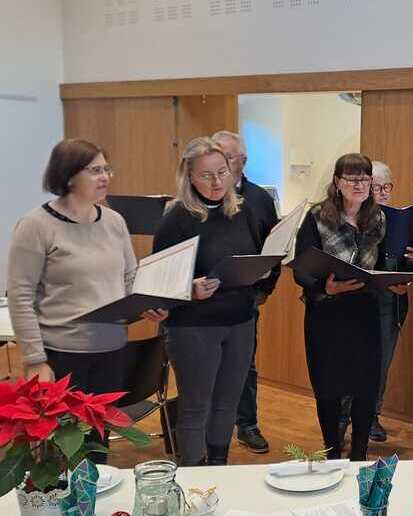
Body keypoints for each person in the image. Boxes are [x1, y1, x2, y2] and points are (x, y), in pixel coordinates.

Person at [6, 138, 167, 462]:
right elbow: (21, 296)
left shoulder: (113, 221)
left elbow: (129, 277)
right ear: (68, 177)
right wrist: (36, 359)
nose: (105, 176)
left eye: (107, 168)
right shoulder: (35, 226)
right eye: (95, 170)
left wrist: (145, 303)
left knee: (97, 445)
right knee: (60, 451)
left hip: (111, 349)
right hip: (62, 355)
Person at [153, 136, 262, 466]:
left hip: (240, 320)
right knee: (196, 405)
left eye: (222, 172)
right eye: (206, 175)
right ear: (188, 177)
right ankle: (193, 475)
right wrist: (191, 288)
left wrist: (257, 271)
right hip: (194, 326)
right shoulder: (175, 219)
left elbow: (253, 255)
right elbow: (158, 282)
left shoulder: (240, 211)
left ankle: (218, 467)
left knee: (228, 403)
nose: (217, 182)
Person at [293, 153, 404, 461]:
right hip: (327, 314)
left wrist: (394, 279)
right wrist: (323, 287)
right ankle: (331, 452)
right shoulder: (317, 217)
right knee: (328, 387)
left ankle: (359, 454)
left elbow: (381, 264)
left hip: (364, 313)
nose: (359, 184)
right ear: (337, 183)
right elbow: (301, 268)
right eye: (352, 179)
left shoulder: (378, 217)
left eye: (365, 178)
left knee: (365, 387)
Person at [339, 161, 413, 443]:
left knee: (380, 365)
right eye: (377, 187)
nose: (383, 193)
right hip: (356, 306)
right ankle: (342, 417)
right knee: (349, 364)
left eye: (387, 187)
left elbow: (410, 271)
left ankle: (372, 416)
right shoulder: (349, 220)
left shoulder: (399, 220)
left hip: (390, 306)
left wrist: (412, 262)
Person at [211, 130, 280, 454]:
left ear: (243, 161)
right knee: (208, 365)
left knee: (244, 364)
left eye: (227, 158)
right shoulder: (199, 198)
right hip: (205, 299)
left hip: (245, 297)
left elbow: (274, 245)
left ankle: (247, 424)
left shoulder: (259, 199)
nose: (220, 165)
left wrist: (266, 287)